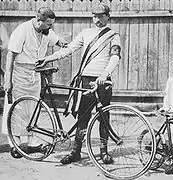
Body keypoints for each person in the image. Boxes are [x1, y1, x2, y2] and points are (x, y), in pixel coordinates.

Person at [35, 3, 121, 165]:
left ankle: (104, 151)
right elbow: (68, 50)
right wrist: (48, 59)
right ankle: (76, 151)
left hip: (103, 81)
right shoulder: (86, 33)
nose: (98, 19)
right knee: (83, 117)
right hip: (85, 81)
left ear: (108, 16)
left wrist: (105, 74)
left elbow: (115, 57)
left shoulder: (113, 35)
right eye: (95, 16)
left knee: (104, 116)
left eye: (101, 16)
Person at [3, 7, 68, 159]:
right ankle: (15, 144)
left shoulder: (46, 32)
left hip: (35, 74)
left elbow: (58, 41)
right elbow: (10, 56)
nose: (51, 27)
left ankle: (32, 143)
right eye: (48, 24)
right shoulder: (22, 30)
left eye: (52, 24)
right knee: (16, 109)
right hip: (19, 73)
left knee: (34, 108)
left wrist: (65, 43)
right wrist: (8, 80)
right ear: (39, 21)